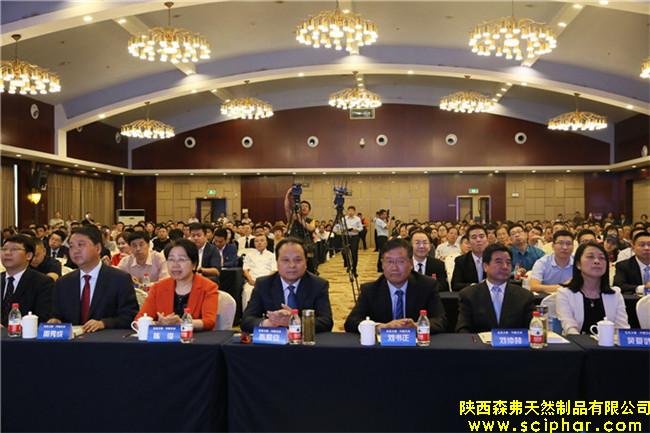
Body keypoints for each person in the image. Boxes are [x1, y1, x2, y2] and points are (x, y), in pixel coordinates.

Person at [344, 238, 447, 333]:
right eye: (389, 261)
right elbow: (351, 322)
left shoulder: (427, 286)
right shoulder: (370, 290)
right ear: (382, 264)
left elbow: (441, 321)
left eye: (400, 261)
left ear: (411, 263)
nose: (394, 268)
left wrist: (417, 327)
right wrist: (381, 327)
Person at [48, 226, 138, 332]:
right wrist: (55, 320)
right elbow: (56, 314)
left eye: (81, 245)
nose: (75, 251)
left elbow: (130, 317)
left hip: (105, 339)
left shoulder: (120, 279)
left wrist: (104, 323)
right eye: (71, 246)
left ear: (98, 248)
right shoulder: (63, 283)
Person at [240, 238, 333, 333]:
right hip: (274, 340)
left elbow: (326, 322)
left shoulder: (318, 285)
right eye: (285, 260)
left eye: (298, 260)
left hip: (305, 340)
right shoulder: (263, 284)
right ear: (277, 262)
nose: (292, 265)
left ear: (306, 262)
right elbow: (246, 321)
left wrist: (297, 322)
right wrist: (269, 323)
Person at [134, 239, 219, 331]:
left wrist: (182, 323)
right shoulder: (158, 288)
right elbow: (138, 321)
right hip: (164, 338)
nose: (175, 265)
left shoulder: (208, 287)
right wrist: (158, 324)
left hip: (195, 338)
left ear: (194, 264)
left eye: (181, 260)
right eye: (171, 260)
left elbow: (209, 321)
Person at [456, 243, 536, 333]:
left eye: (508, 263)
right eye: (499, 262)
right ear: (485, 266)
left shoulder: (524, 296)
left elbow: (532, 329)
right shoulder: (469, 295)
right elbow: (463, 329)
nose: (505, 267)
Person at [556, 242, 629, 335]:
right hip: (577, 342)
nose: (597, 261)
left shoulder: (615, 294)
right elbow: (569, 328)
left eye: (602, 258)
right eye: (590, 257)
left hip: (609, 343)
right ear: (578, 264)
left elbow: (622, 329)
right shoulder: (565, 294)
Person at [1, 235, 53, 325]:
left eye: (14, 249)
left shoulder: (42, 283)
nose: (7, 253)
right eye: (4, 249)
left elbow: (43, 318)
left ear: (28, 255)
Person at [284, 187, 317, 273]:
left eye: (306, 206)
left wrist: (300, 219)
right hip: (294, 247)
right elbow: (287, 208)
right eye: (302, 206)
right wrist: (287, 195)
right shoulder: (293, 218)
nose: (304, 208)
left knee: (309, 270)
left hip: (307, 248)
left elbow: (311, 228)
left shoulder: (311, 220)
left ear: (309, 210)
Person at [242, 233, 277, 310]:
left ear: (266, 242)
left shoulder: (272, 255)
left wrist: (264, 281)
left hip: (267, 282)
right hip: (252, 282)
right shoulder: (249, 255)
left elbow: (274, 270)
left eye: (262, 240)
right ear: (254, 243)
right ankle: (247, 314)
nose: (259, 243)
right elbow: (245, 269)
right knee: (247, 291)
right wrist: (250, 280)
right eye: (256, 241)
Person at [451, 224, 488, 291]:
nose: (478, 240)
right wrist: (474, 286)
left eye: (481, 236)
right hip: (470, 294)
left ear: (487, 239)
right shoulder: (461, 261)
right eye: (474, 237)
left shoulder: (494, 258)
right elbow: (455, 285)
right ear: (469, 242)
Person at [343, 206, 363, 276]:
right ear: (347, 211)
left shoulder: (357, 219)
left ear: (354, 211)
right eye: (349, 211)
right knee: (344, 252)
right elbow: (340, 227)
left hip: (354, 237)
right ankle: (348, 265)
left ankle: (354, 269)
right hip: (346, 237)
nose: (350, 212)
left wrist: (355, 229)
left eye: (352, 211)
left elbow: (361, 228)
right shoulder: (344, 218)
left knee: (354, 253)